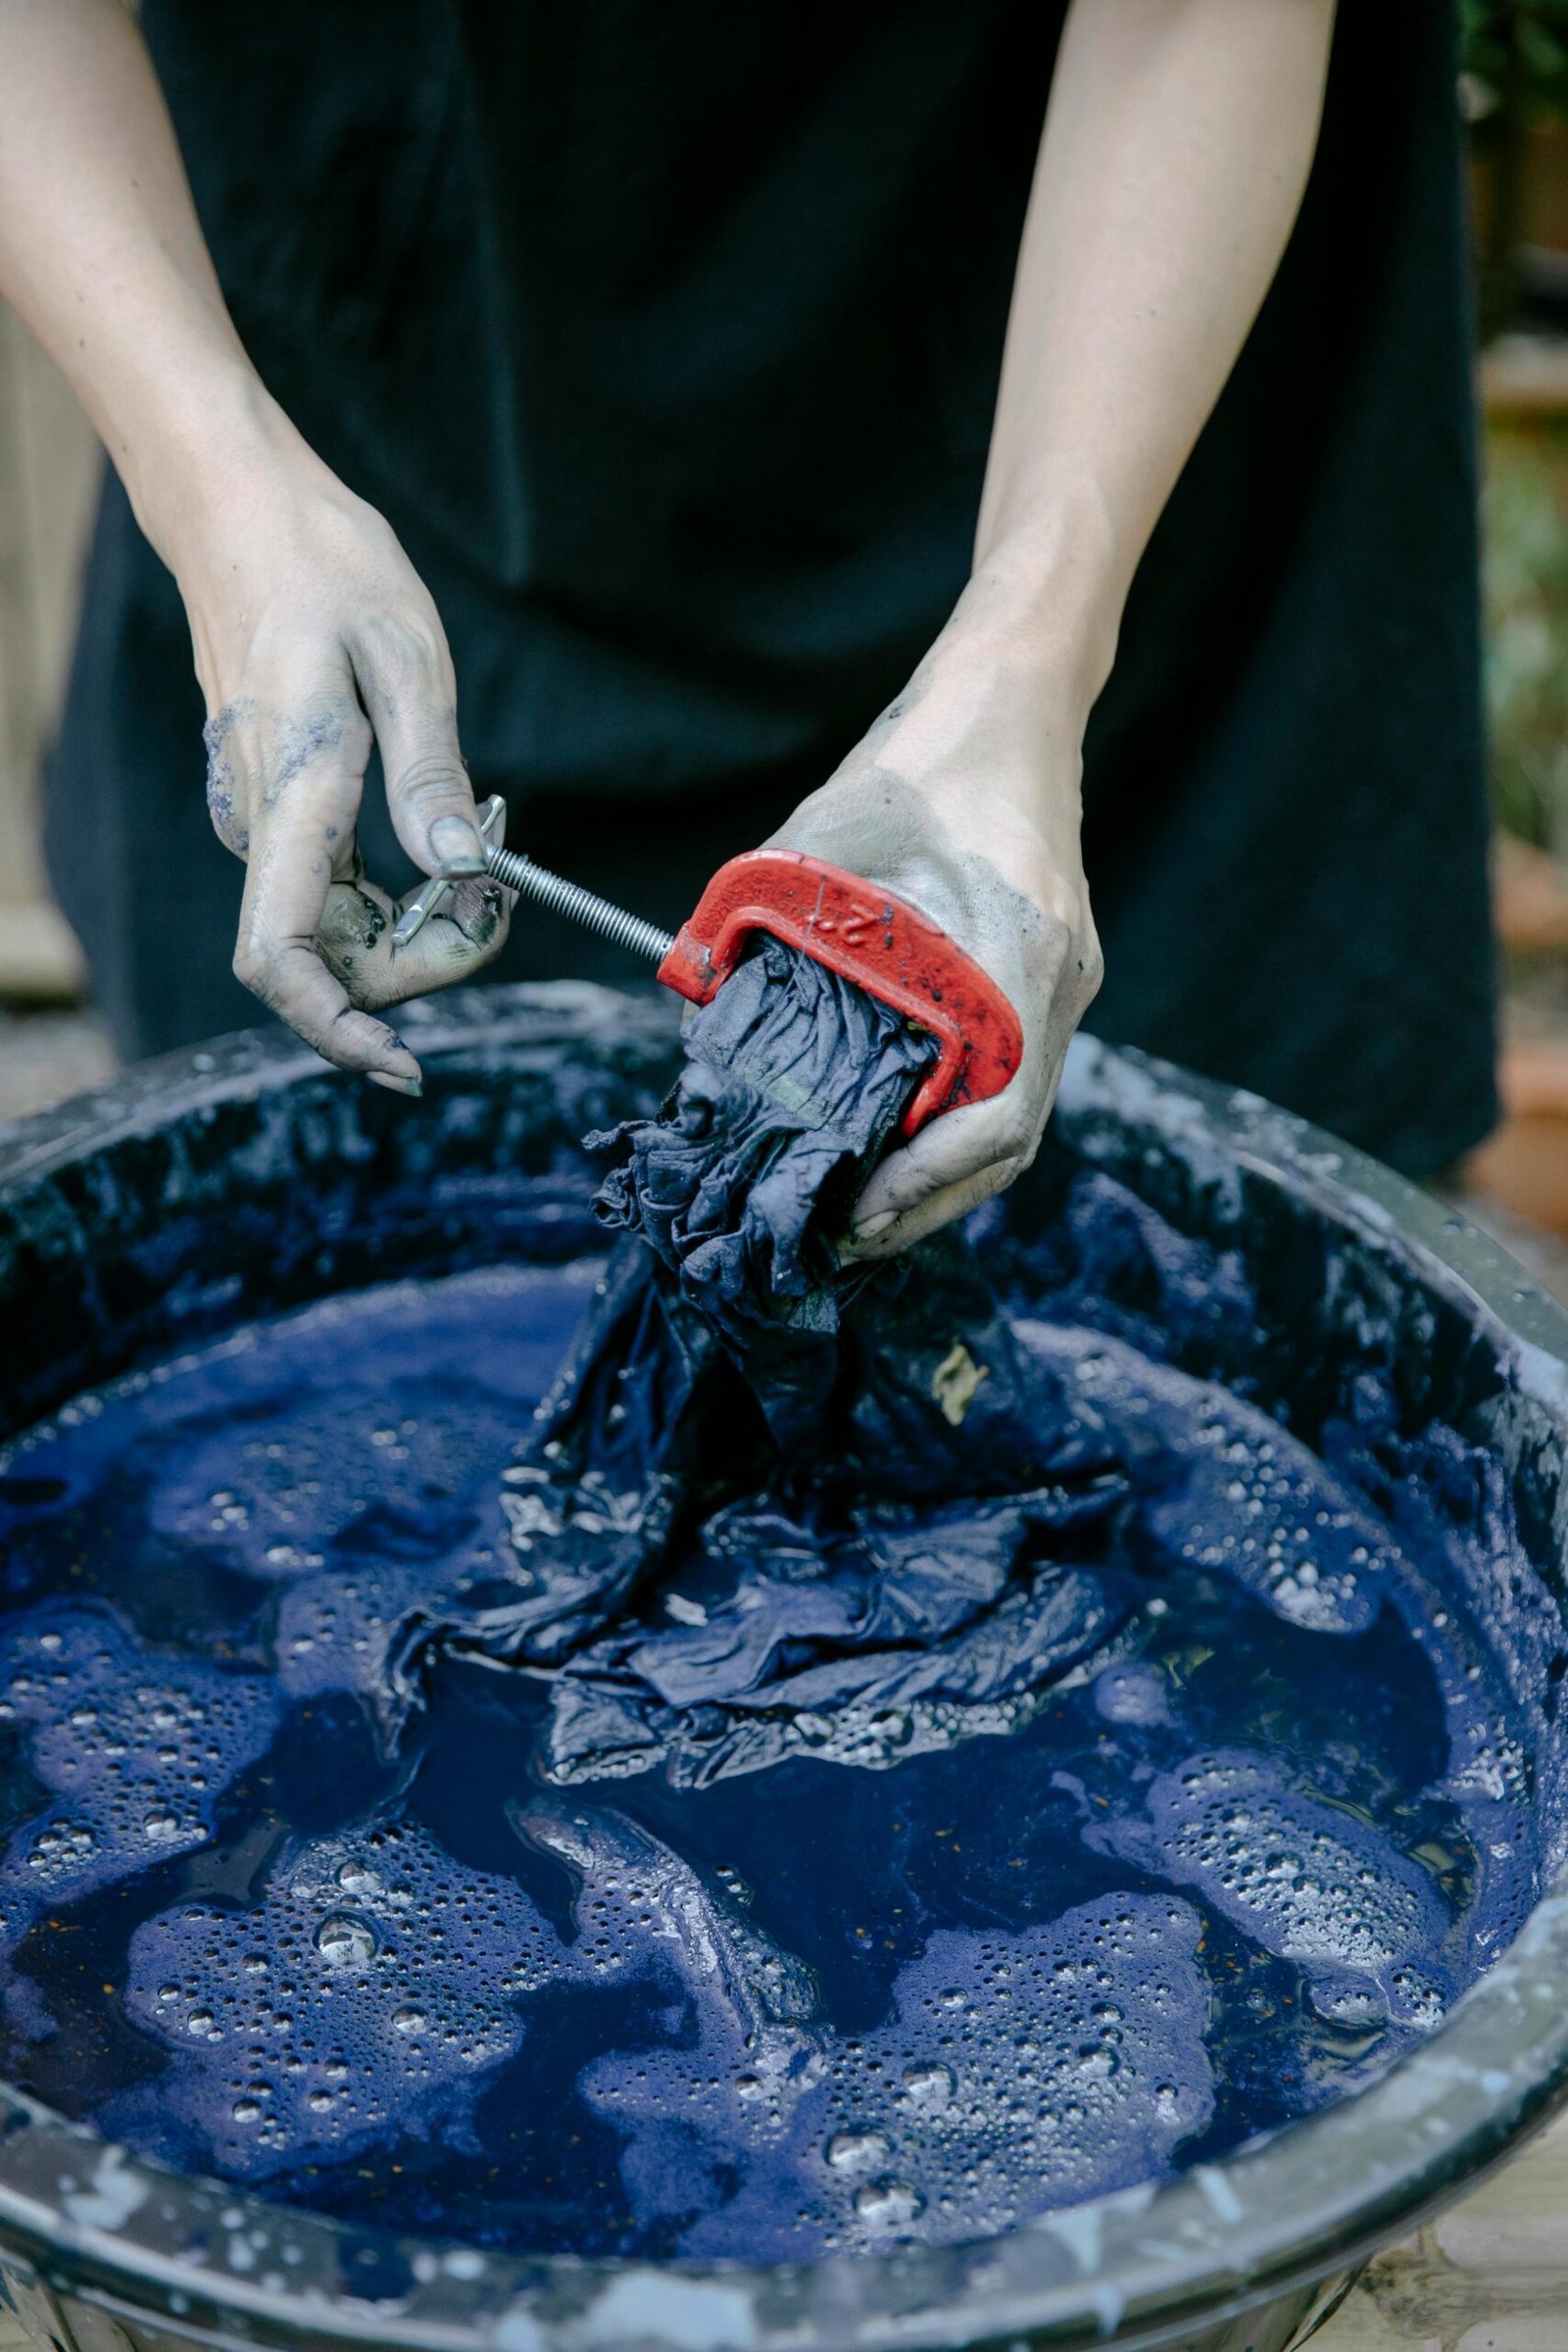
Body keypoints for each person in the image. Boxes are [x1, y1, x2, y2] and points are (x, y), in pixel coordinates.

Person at [0, 1, 1494, 1260]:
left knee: (1224, 1266)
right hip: (357, 344)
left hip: (1114, 373)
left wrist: (1037, 655)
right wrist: (214, 481)